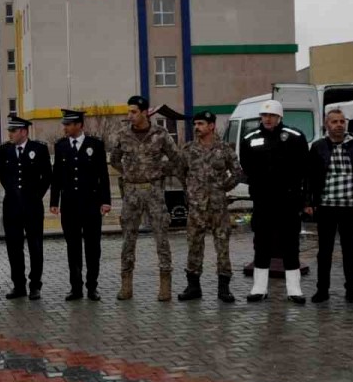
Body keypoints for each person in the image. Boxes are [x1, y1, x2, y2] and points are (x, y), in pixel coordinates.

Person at [110, 96, 180, 301]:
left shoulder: (160, 134)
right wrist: (130, 173)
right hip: (131, 193)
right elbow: (114, 159)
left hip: (154, 193)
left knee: (161, 237)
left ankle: (165, 285)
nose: (129, 115)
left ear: (144, 112)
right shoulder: (122, 135)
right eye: (128, 111)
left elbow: (176, 159)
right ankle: (126, 285)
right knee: (128, 239)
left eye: (133, 112)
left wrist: (159, 170)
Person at [239, 101, 309, 304]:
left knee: (290, 243)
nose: (267, 119)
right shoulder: (250, 138)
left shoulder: (295, 137)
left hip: (288, 200)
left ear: (280, 117)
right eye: (264, 115)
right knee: (261, 243)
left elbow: (303, 167)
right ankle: (259, 288)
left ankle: (294, 289)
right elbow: (247, 165)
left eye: (271, 116)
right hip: (263, 200)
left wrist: (300, 196)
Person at [306, 109, 353, 304]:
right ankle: (322, 290)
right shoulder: (318, 147)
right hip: (326, 206)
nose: (338, 125)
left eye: (341, 121)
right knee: (324, 251)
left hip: (350, 206)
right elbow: (310, 177)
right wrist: (308, 202)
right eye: (334, 122)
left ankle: (351, 290)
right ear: (326, 125)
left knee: (350, 251)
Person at [174, 111, 243, 303]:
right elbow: (180, 171)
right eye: (195, 124)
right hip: (196, 208)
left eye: (201, 123)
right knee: (194, 246)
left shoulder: (224, 149)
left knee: (222, 246)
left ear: (212, 126)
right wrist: (191, 190)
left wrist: (223, 187)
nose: (197, 127)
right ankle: (193, 286)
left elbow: (237, 172)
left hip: (218, 207)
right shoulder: (188, 149)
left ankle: (224, 289)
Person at [49, 109, 112, 301]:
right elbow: (57, 176)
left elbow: (103, 175)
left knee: (93, 248)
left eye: (68, 124)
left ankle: (92, 286)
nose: (65, 128)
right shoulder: (60, 146)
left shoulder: (95, 144)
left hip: (91, 205)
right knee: (73, 248)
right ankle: (75, 288)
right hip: (69, 206)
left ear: (79, 125)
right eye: (65, 124)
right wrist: (54, 202)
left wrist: (106, 201)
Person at [0, 114, 50, 300]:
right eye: (9, 130)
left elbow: (47, 176)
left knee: (35, 247)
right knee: (14, 248)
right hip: (12, 207)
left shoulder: (39, 149)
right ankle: (18, 285)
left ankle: (35, 285)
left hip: (32, 207)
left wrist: (35, 196)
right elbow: (3, 174)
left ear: (24, 131)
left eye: (13, 130)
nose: (10, 133)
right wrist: (12, 192)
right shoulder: (5, 150)